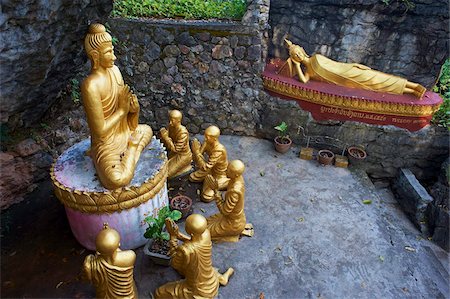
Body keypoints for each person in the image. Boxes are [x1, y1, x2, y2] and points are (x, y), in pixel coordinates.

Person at [81, 23, 153, 190]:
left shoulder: (115, 71)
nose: (113, 57)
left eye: (112, 50)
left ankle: (130, 149)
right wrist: (122, 110)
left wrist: (133, 111)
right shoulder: (90, 85)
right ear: (95, 55)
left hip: (124, 132)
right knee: (116, 181)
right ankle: (133, 148)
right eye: (108, 52)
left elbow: (129, 119)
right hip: (106, 144)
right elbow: (100, 131)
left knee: (147, 130)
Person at [279, 39, 426, 99]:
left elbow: (336, 64)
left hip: (348, 71)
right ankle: (411, 91)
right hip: (346, 82)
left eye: (298, 51)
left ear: (302, 50)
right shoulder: (308, 72)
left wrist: (354, 65)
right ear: (293, 58)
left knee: (377, 77)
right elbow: (304, 81)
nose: (298, 54)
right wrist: (297, 66)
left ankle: (413, 85)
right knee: (378, 86)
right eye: (295, 55)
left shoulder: (316, 57)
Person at [154, 214, 234, 299]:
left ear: (190, 232)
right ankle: (221, 279)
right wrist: (178, 235)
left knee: (159, 292)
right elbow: (193, 241)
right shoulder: (206, 234)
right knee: (196, 268)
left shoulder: (185, 250)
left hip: (197, 290)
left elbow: (174, 263)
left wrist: (173, 237)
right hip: (211, 281)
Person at [83, 224, 137, 299]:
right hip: (127, 296)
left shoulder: (91, 264)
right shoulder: (130, 256)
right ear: (119, 244)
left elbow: (89, 276)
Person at [206, 160, 253, 242]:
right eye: (227, 168)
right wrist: (216, 185)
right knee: (206, 222)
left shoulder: (234, 192)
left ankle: (233, 234)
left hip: (233, 224)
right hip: (232, 218)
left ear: (236, 175)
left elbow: (225, 211)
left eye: (229, 170)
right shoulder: (237, 179)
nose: (225, 171)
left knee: (204, 232)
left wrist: (216, 192)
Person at [189, 126, 229, 202]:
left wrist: (196, 152)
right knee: (192, 177)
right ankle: (208, 180)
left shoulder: (218, 150)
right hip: (209, 171)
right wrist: (196, 151)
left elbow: (205, 167)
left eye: (208, 137)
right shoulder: (207, 142)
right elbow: (197, 158)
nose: (206, 138)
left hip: (218, 175)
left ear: (215, 138)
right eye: (205, 136)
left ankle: (228, 182)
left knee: (206, 196)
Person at [159, 110, 193, 179]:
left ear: (178, 120)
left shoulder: (183, 133)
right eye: (170, 120)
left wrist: (166, 138)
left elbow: (176, 149)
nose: (170, 122)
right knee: (159, 168)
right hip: (173, 153)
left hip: (183, 155)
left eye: (172, 120)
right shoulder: (171, 126)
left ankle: (185, 166)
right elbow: (166, 140)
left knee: (167, 174)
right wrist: (163, 135)